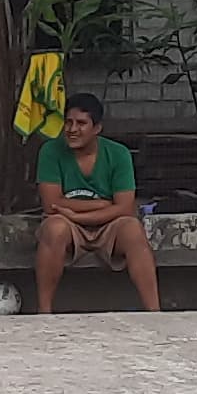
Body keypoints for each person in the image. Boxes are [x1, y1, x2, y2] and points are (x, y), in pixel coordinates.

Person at [34, 92, 162, 313]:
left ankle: (154, 312)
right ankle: (44, 312)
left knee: (133, 229)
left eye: (81, 123)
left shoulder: (118, 153)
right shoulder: (50, 151)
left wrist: (77, 214)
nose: (72, 129)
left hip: (108, 225)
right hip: (67, 223)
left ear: (97, 128)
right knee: (54, 228)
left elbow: (125, 208)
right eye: (68, 122)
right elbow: (52, 204)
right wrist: (102, 205)